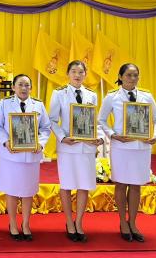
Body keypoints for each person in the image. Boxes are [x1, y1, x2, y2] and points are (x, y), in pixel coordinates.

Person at [98, 63, 156, 243]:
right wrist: (113, 135)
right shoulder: (112, 97)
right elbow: (101, 120)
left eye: (135, 75)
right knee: (121, 184)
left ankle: (133, 223)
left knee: (136, 185)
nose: (132, 78)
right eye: (128, 75)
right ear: (120, 76)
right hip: (121, 147)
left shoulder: (146, 96)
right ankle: (122, 222)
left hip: (141, 148)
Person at [49, 60, 104, 242]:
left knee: (84, 185)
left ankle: (79, 222)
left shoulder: (92, 95)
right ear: (67, 74)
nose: (77, 75)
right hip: (67, 147)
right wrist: (62, 137)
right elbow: (52, 120)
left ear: (85, 75)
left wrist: (99, 137)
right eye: (73, 71)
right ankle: (69, 222)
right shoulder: (59, 94)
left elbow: (95, 121)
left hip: (86, 148)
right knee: (66, 185)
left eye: (81, 72)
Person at [0, 74, 51, 241]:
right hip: (11, 155)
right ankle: (12, 223)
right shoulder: (5, 104)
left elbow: (46, 127)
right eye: (20, 85)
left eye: (27, 85)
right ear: (13, 87)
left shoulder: (38, 105)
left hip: (31, 155)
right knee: (11, 190)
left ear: (31, 88)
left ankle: (25, 223)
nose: (24, 88)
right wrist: (5, 141)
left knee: (27, 191)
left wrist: (41, 143)